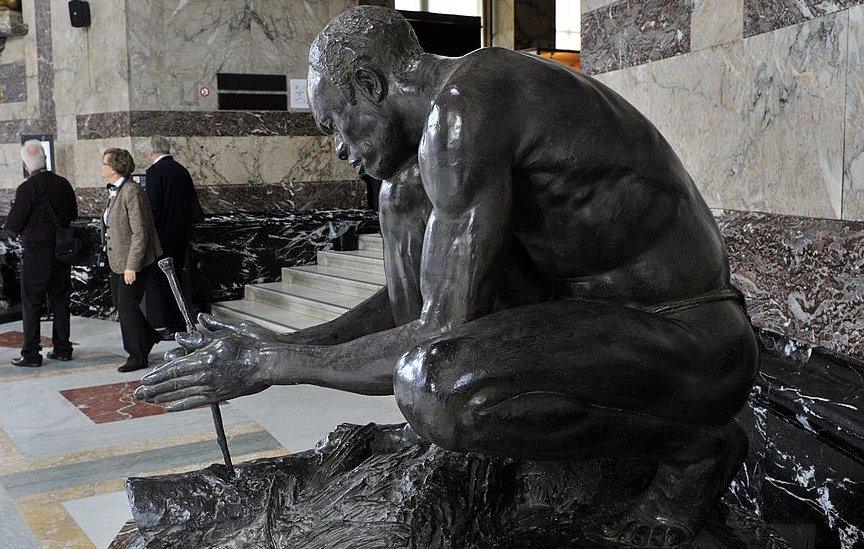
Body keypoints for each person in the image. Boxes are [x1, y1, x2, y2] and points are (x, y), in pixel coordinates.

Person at [137, 7, 759, 548]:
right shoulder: (440, 136)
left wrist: (272, 367)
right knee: (401, 196)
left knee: (435, 386)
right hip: (597, 325)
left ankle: (693, 452)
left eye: (334, 124)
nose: (337, 151)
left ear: (368, 83)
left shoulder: (471, 105)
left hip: (690, 338)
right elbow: (414, 308)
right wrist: (272, 347)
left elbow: (438, 333)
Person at [5, 140, 78, 367]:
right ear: (45, 160)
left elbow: (14, 223)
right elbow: (73, 213)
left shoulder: (26, 189)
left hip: (36, 254)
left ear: (25, 165)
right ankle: (63, 348)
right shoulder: (63, 184)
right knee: (60, 301)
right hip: (60, 252)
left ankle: (31, 354)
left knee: (32, 303)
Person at [100, 148, 163, 372]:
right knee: (121, 304)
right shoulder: (116, 191)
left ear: (117, 168)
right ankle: (149, 335)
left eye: (105, 164)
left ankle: (137, 355)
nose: (102, 167)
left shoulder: (132, 192)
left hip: (133, 261)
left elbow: (140, 232)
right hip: (117, 260)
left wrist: (131, 266)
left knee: (127, 306)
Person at [143, 136, 200, 340]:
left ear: (152, 153)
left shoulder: (154, 172)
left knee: (163, 282)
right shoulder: (181, 170)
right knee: (178, 279)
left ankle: (172, 325)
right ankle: (183, 321)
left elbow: (154, 208)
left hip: (161, 238)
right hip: (181, 235)